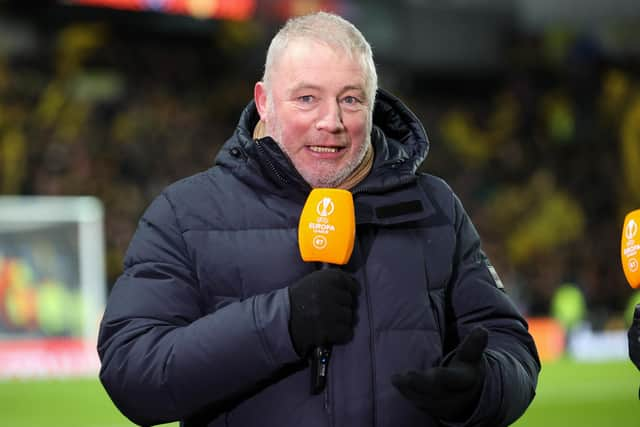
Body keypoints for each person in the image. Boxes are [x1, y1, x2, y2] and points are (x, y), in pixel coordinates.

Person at [97, 11, 540, 427]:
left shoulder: (434, 206)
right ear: (264, 101)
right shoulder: (185, 213)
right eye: (307, 98)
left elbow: (511, 346)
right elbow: (131, 373)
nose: (332, 122)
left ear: (372, 105)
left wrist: (484, 387)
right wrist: (281, 323)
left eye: (351, 99)